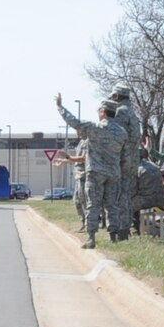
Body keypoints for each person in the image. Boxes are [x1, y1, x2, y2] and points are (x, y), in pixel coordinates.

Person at [55, 94, 128, 248]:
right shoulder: (122, 132)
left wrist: (60, 107)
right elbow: (125, 155)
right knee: (111, 205)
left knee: (92, 204)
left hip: (95, 172)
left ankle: (91, 238)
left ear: (103, 112)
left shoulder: (96, 128)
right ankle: (113, 236)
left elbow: (73, 122)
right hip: (114, 173)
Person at [108, 84, 141, 240]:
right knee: (127, 194)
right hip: (133, 160)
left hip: (122, 160)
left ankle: (122, 229)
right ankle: (128, 226)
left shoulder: (120, 112)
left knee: (119, 195)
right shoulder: (133, 113)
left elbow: (118, 137)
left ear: (117, 96)